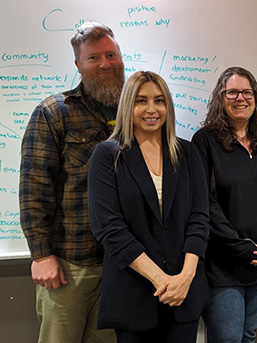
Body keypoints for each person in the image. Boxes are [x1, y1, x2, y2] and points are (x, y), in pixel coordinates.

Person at [19, 22, 124, 343]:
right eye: (94, 58)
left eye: (111, 54)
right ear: (78, 65)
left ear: (121, 57)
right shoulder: (55, 112)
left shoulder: (138, 110)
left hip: (122, 263)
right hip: (70, 263)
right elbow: (34, 188)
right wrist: (41, 255)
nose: (105, 63)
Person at [87, 71, 211, 342]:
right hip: (134, 297)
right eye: (141, 101)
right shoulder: (107, 156)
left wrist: (185, 277)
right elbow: (109, 228)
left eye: (159, 100)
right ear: (128, 106)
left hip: (184, 294)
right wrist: (162, 281)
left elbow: (200, 218)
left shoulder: (188, 154)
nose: (152, 110)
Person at [191, 66, 257, 343]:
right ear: (220, 98)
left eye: (246, 92)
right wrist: (238, 245)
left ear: (255, 97)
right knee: (227, 339)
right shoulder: (205, 141)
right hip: (223, 264)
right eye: (232, 92)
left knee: (248, 336)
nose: (240, 98)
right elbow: (203, 201)